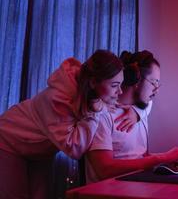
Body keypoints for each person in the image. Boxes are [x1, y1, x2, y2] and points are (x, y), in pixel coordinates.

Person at [0, 49, 138, 199]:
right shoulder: (57, 99)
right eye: (114, 85)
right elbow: (74, 149)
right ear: (93, 82)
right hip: (9, 140)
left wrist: (136, 112)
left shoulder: (91, 94)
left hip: (37, 150)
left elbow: (144, 104)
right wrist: (94, 112)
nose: (119, 91)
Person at [85, 50, 178, 182]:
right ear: (136, 80)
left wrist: (173, 156)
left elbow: (138, 158)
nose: (157, 90)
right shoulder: (102, 114)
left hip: (138, 186)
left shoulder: (140, 111)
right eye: (154, 82)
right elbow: (104, 169)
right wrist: (163, 158)